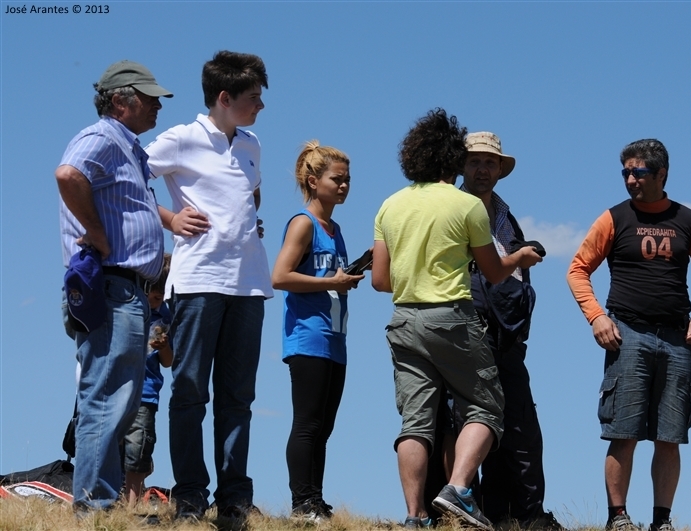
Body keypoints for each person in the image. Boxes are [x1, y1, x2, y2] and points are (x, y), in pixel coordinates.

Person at [372, 109, 542, 529]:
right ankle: (460, 489)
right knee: (487, 406)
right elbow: (495, 272)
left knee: (416, 422)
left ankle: (415, 516)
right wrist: (519, 257)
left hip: (403, 319)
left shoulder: (390, 205)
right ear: (453, 159)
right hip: (452, 317)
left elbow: (379, 280)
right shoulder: (467, 206)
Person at [566, 139, 691, 531]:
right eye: (626, 173)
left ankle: (662, 521)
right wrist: (596, 317)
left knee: (670, 436)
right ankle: (618, 518)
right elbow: (578, 269)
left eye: (639, 172)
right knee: (624, 432)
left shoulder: (688, 221)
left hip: (676, 339)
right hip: (627, 334)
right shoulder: (614, 218)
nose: (631, 179)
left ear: (661, 174)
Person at [144, 50, 272, 520]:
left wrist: (245, 225)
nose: (261, 105)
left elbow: (247, 197)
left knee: (238, 398)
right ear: (224, 97)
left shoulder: (252, 144)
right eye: (253, 97)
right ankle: (190, 497)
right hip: (198, 282)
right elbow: (128, 177)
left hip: (249, 285)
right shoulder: (182, 139)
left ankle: (234, 498)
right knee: (190, 392)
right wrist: (170, 218)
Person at [55, 59, 171, 511]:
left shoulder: (127, 147)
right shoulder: (103, 137)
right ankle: (95, 508)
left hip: (126, 289)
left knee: (117, 399)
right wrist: (96, 233)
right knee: (107, 396)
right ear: (121, 101)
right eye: (149, 97)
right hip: (113, 285)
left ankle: (100, 503)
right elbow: (69, 174)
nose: (158, 105)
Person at [460, 132, 562, 530]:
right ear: (461, 166)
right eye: (474, 161)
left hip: (508, 334)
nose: (483, 169)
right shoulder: (453, 209)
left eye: (490, 163)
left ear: (501, 170)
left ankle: (518, 514)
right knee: (470, 420)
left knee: (519, 423)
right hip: (470, 329)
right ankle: (467, 510)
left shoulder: (506, 215)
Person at [271, 141, 364, 522]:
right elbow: (280, 276)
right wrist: (331, 283)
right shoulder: (303, 223)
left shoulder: (334, 229)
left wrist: (343, 281)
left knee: (324, 426)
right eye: (336, 179)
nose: (343, 186)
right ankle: (302, 502)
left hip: (335, 339)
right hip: (308, 336)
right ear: (313, 181)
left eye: (347, 180)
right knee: (308, 423)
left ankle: (316, 499)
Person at [123, 253, 174, 507]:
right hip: (120, 388)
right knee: (115, 446)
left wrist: (163, 347)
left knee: (138, 447)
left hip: (147, 393)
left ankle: (131, 505)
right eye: (153, 297)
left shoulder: (165, 316)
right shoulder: (128, 308)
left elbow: (168, 361)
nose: (156, 303)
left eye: (161, 298)